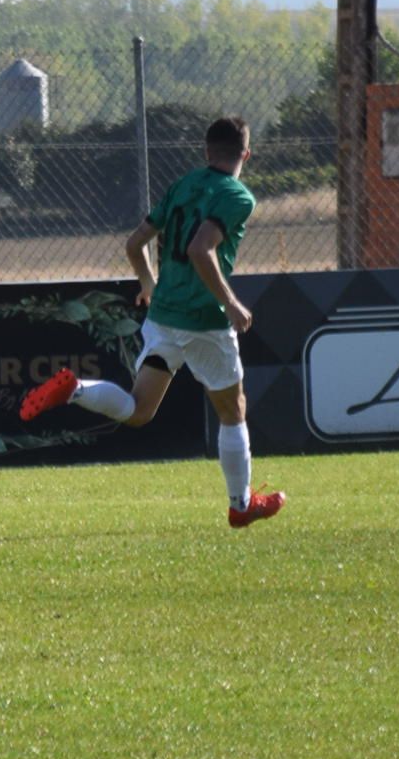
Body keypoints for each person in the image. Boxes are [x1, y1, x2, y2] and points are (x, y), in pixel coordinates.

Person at [19, 114, 285, 528]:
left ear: (205, 151)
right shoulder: (237, 196)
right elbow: (202, 250)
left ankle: (75, 390)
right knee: (233, 412)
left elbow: (135, 243)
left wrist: (149, 284)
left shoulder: (182, 186)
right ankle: (240, 504)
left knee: (139, 410)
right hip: (202, 321)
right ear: (246, 154)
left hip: (163, 318)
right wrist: (230, 302)